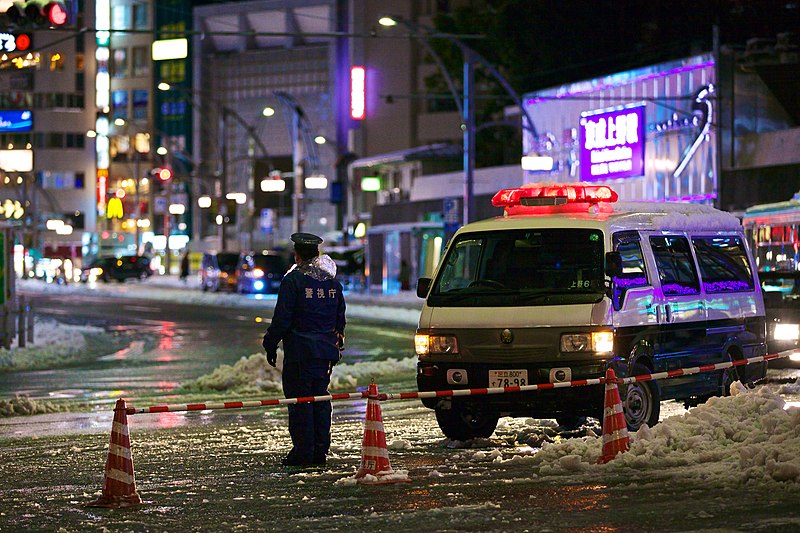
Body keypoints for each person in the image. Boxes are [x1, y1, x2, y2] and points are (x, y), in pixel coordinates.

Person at [262, 232, 346, 467]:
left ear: (297, 255)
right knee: (320, 399)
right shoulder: (332, 283)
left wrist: (270, 343)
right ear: (317, 254)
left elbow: (283, 319)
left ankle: (303, 451)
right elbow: (340, 318)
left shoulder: (294, 281)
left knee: (300, 402)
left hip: (300, 352)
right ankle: (320, 449)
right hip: (325, 353)